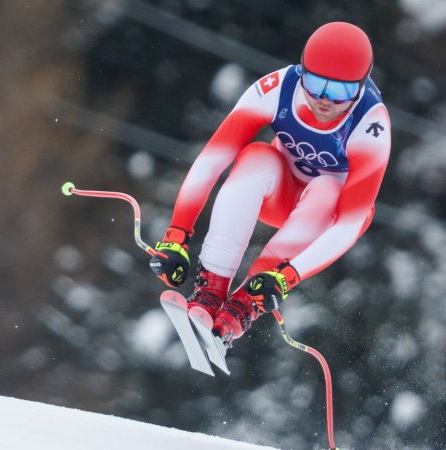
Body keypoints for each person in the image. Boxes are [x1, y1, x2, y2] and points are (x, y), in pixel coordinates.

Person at [149, 21, 391, 347]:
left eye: (339, 91)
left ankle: (244, 304)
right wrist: (177, 235)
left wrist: (287, 277)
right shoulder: (277, 89)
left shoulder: (370, 125)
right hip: (276, 197)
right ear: (302, 71)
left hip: (324, 221)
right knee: (256, 155)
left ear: (360, 88)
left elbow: (348, 225)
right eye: (316, 83)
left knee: (327, 189)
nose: (323, 99)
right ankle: (210, 289)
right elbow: (212, 160)